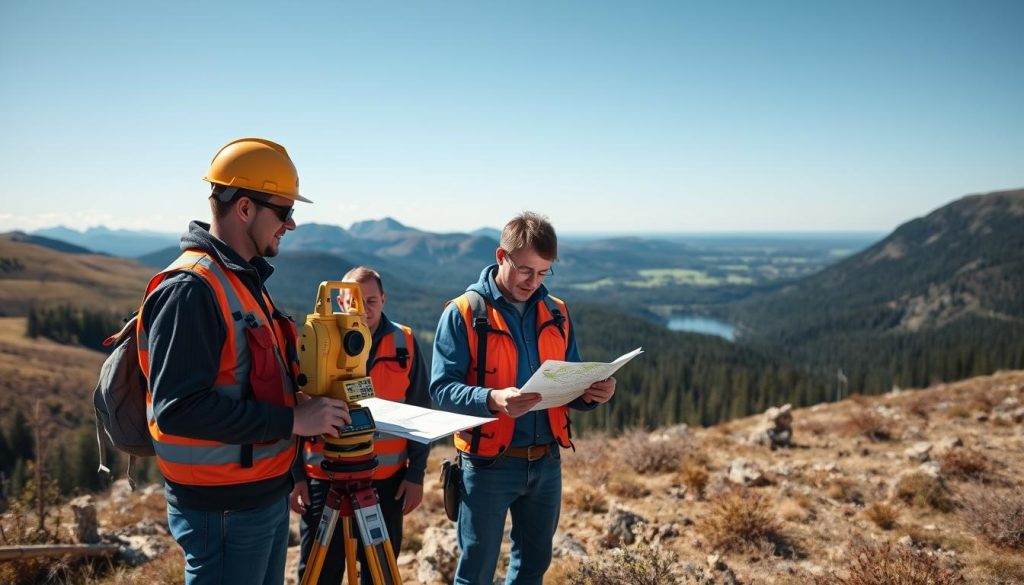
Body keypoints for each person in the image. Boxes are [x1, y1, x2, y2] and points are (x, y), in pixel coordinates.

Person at [139, 137, 352, 585]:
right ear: (244, 209)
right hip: (223, 509)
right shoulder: (192, 290)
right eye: (284, 211)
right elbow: (177, 409)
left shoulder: (242, 280)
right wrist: (294, 421)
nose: (290, 224)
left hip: (259, 496)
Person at [430, 211, 617, 585]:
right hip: (486, 467)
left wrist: (594, 393)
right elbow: (440, 390)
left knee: (533, 566)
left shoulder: (557, 312)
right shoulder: (464, 313)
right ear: (502, 257)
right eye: (526, 271)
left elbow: (571, 380)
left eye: (544, 272)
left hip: (546, 461)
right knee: (476, 572)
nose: (534, 282)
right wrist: (492, 398)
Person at [292, 266, 431, 585]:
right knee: (321, 573)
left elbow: (420, 408)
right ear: (340, 300)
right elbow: (295, 408)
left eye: (371, 300)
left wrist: (415, 474)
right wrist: (296, 476)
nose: (363, 309)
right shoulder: (318, 341)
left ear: (383, 299)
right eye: (354, 300)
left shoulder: (404, 342)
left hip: (386, 481)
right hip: (323, 479)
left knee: (378, 574)